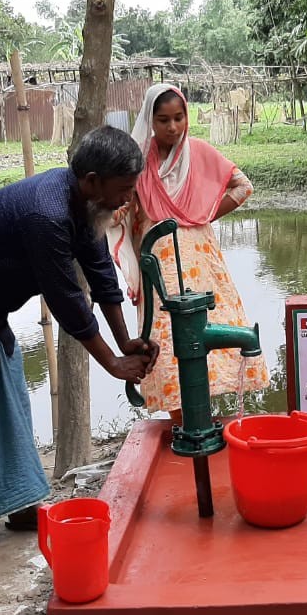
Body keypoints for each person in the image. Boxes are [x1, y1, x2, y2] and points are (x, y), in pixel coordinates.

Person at [0, 126, 158, 562]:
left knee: (9, 408)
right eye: (122, 190)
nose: (126, 201)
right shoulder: (46, 213)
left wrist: (126, 341)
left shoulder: (84, 207)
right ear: (92, 180)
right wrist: (113, 364)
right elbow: (66, 300)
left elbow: (101, 276)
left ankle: (17, 504)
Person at [108, 83, 268, 419]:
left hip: (199, 258)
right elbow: (124, 203)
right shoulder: (136, 161)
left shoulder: (199, 153)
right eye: (163, 119)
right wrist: (120, 211)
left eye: (179, 118)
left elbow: (243, 186)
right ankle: (181, 423)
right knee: (165, 341)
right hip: (158, 263)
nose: (172, 127)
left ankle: (203, 420)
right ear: (150, 120)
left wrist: (202, 214)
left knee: (205, 332)